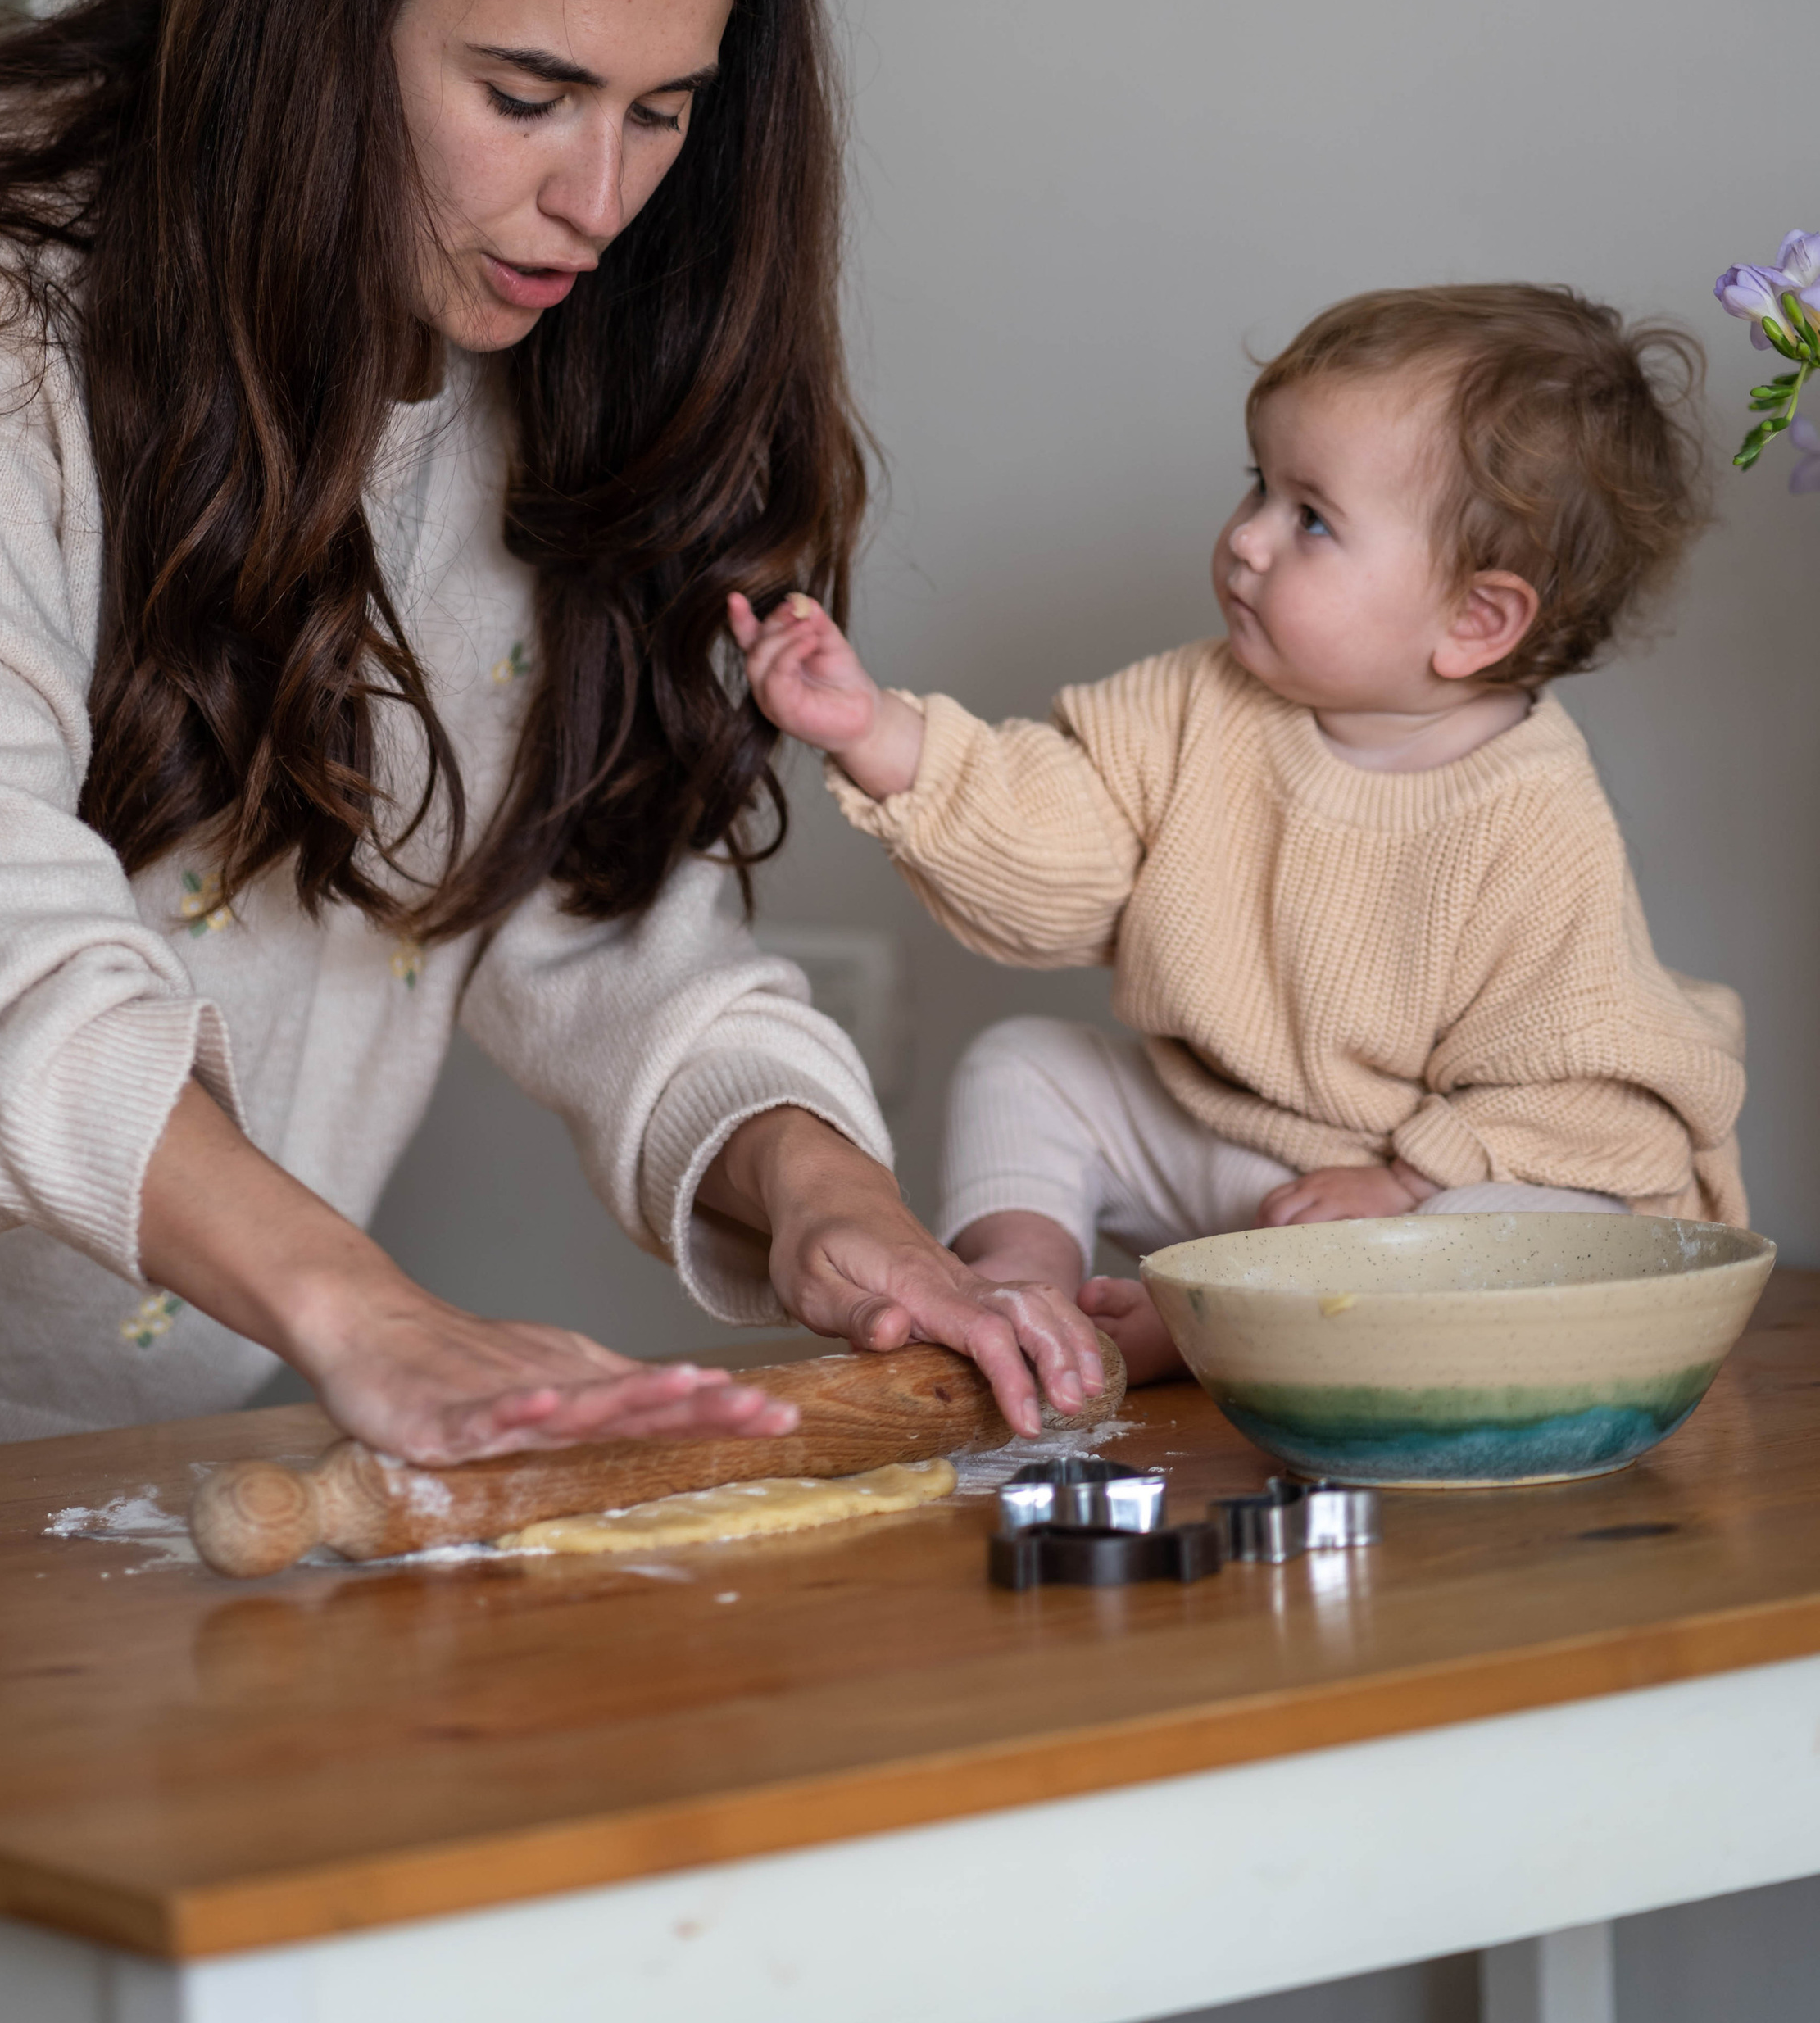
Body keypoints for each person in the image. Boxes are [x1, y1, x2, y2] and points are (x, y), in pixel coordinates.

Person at [0, 0, 1105, 1482]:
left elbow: (602, 918)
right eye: (524, 95)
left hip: (168, 1340)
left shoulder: (577, 339)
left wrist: (834, 1202)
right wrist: (356, 1306)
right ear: (322, 22)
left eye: (661, 112)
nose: (596, 203)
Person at [732, 283, 1748, 1383]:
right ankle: (1029, 1278)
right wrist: (879, 735)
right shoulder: (1196, 702)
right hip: (1245, 1154)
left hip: (1421, 1199)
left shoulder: (1531, 812)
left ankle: (1210, 1325)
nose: (1248, 540)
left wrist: (1407, 1187)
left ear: (1475, 620)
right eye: (1256, 485)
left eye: (1311, 517)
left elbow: (1584, 1083)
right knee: (1024, 1065)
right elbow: (1061, 848)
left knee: (1536, 1221)